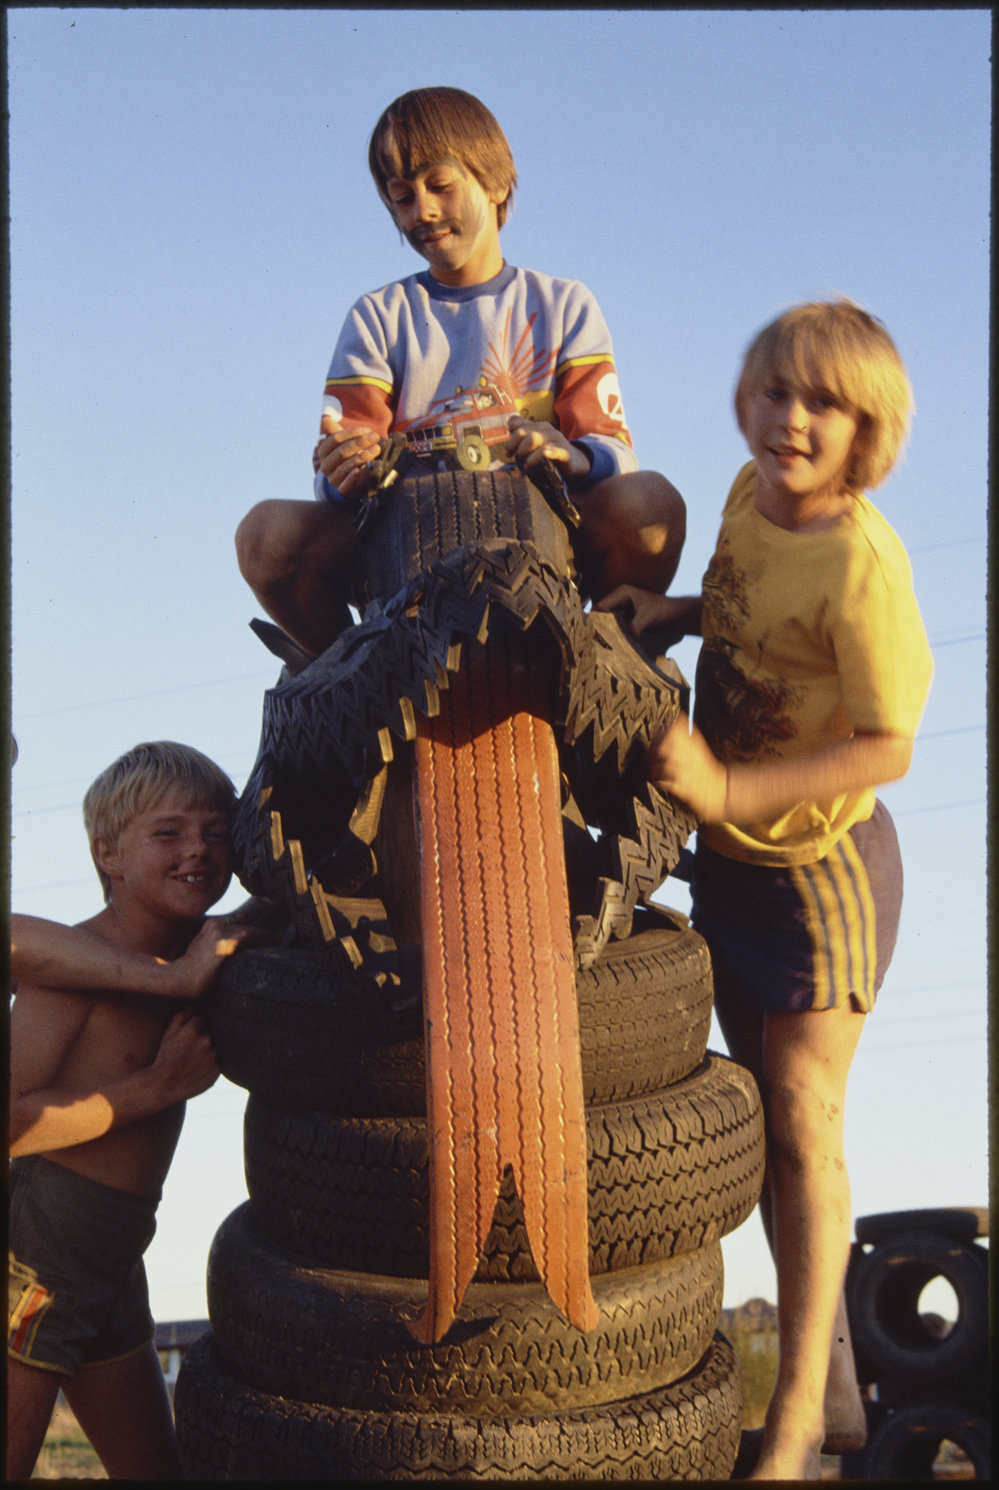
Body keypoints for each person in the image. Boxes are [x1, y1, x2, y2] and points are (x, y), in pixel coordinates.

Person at [600, 300, 933, 1480]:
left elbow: (890, 742)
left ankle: (792, 1427)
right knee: (758, 1131)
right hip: (735, 856)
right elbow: (747, 618)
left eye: (824, 405)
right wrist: (674, 613)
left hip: (819, 867)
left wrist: (731, 787)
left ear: (868, 430)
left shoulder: (861, 562)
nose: (791, 419)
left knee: (802, 1120)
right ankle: (833, 1383)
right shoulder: (745, 497)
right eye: (773, 391)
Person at [235, 86, 685, 657]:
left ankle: (602, 657)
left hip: (547, 540)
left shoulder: (565, 304)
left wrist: (571, 454)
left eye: (440, 187)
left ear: (496, 182)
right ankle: (352, 668)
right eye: (401, 197)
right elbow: (337, 469)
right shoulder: (377, 317)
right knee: (264, 536)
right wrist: (346, 470)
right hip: (406, 546)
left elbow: (613, 449)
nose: (420, 210)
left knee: (652, 505)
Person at [7, 741, 241, 1481]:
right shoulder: (68, 972)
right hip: (35, 1258)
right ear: (107, 853)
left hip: (111, 1256)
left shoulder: (206, 950)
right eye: (167, 833)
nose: (197, 851)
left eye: (215, 831)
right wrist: (154, 1090)